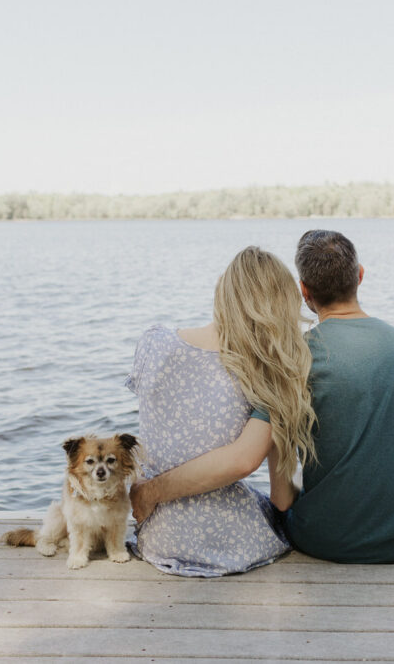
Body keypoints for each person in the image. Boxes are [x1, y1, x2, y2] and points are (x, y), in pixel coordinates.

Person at [132, 230, 394, 563]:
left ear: (304, 291)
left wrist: (151, 491)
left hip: (323, 542)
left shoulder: (294, 360)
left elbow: (281, 498)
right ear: (360, 276)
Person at [124, 246, 316, 576]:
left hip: (158, 535)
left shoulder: (153, 343)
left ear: (220, 289)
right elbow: (280, 497)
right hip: (234, 544)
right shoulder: (269, 377)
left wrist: (150, 492)